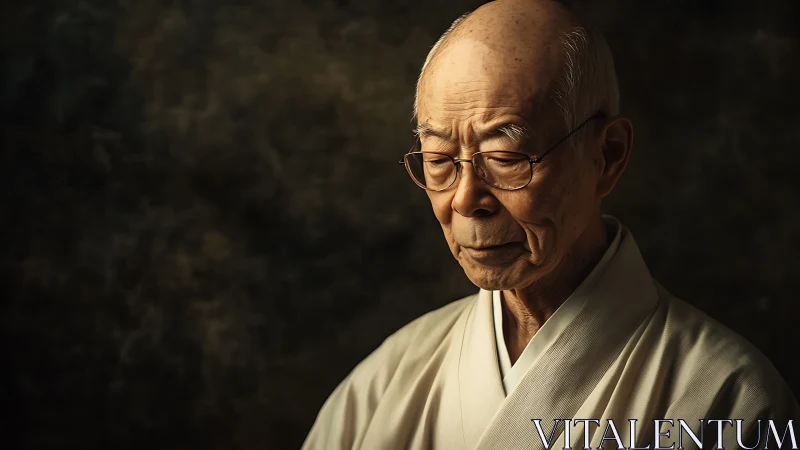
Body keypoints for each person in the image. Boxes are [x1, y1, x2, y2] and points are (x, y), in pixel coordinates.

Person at [302, 0, 799, 448]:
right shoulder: (384, 385)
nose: (466, 199)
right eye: (439, 160)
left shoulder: (729, 401)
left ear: (607, 156)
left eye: (506, 156)